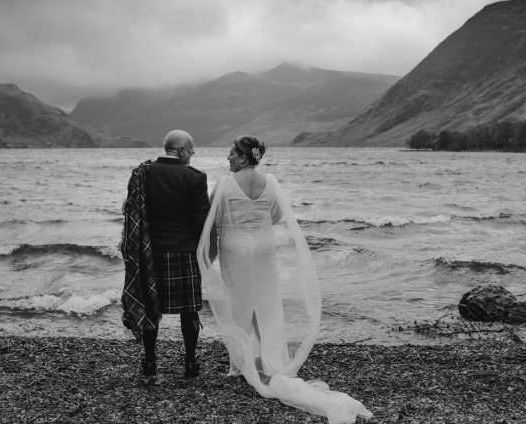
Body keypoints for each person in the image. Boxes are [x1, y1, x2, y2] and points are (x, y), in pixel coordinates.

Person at [196, 136, 373, 424]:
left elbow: (213, 221)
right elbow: (277, 215)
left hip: (236, 247)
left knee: (239, 301)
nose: (227, 158)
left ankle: (241, 365)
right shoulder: (271, 182)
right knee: (265, 301)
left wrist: (206, 259)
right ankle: (269, 360)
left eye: (231, 153)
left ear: (243, 158)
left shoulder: (225, 184)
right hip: (264, 248)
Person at [121, 129, 210, 378]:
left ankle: (150, 362)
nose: (192, 154)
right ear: (181, 150)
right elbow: (201, 221)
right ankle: (191, 363)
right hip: (184, 252)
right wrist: (204, 253)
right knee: (189, 311)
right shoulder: (195, 178)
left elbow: (134, 212)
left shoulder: (144, 173)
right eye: (191, 150)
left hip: (150, 253)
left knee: (151, 307)